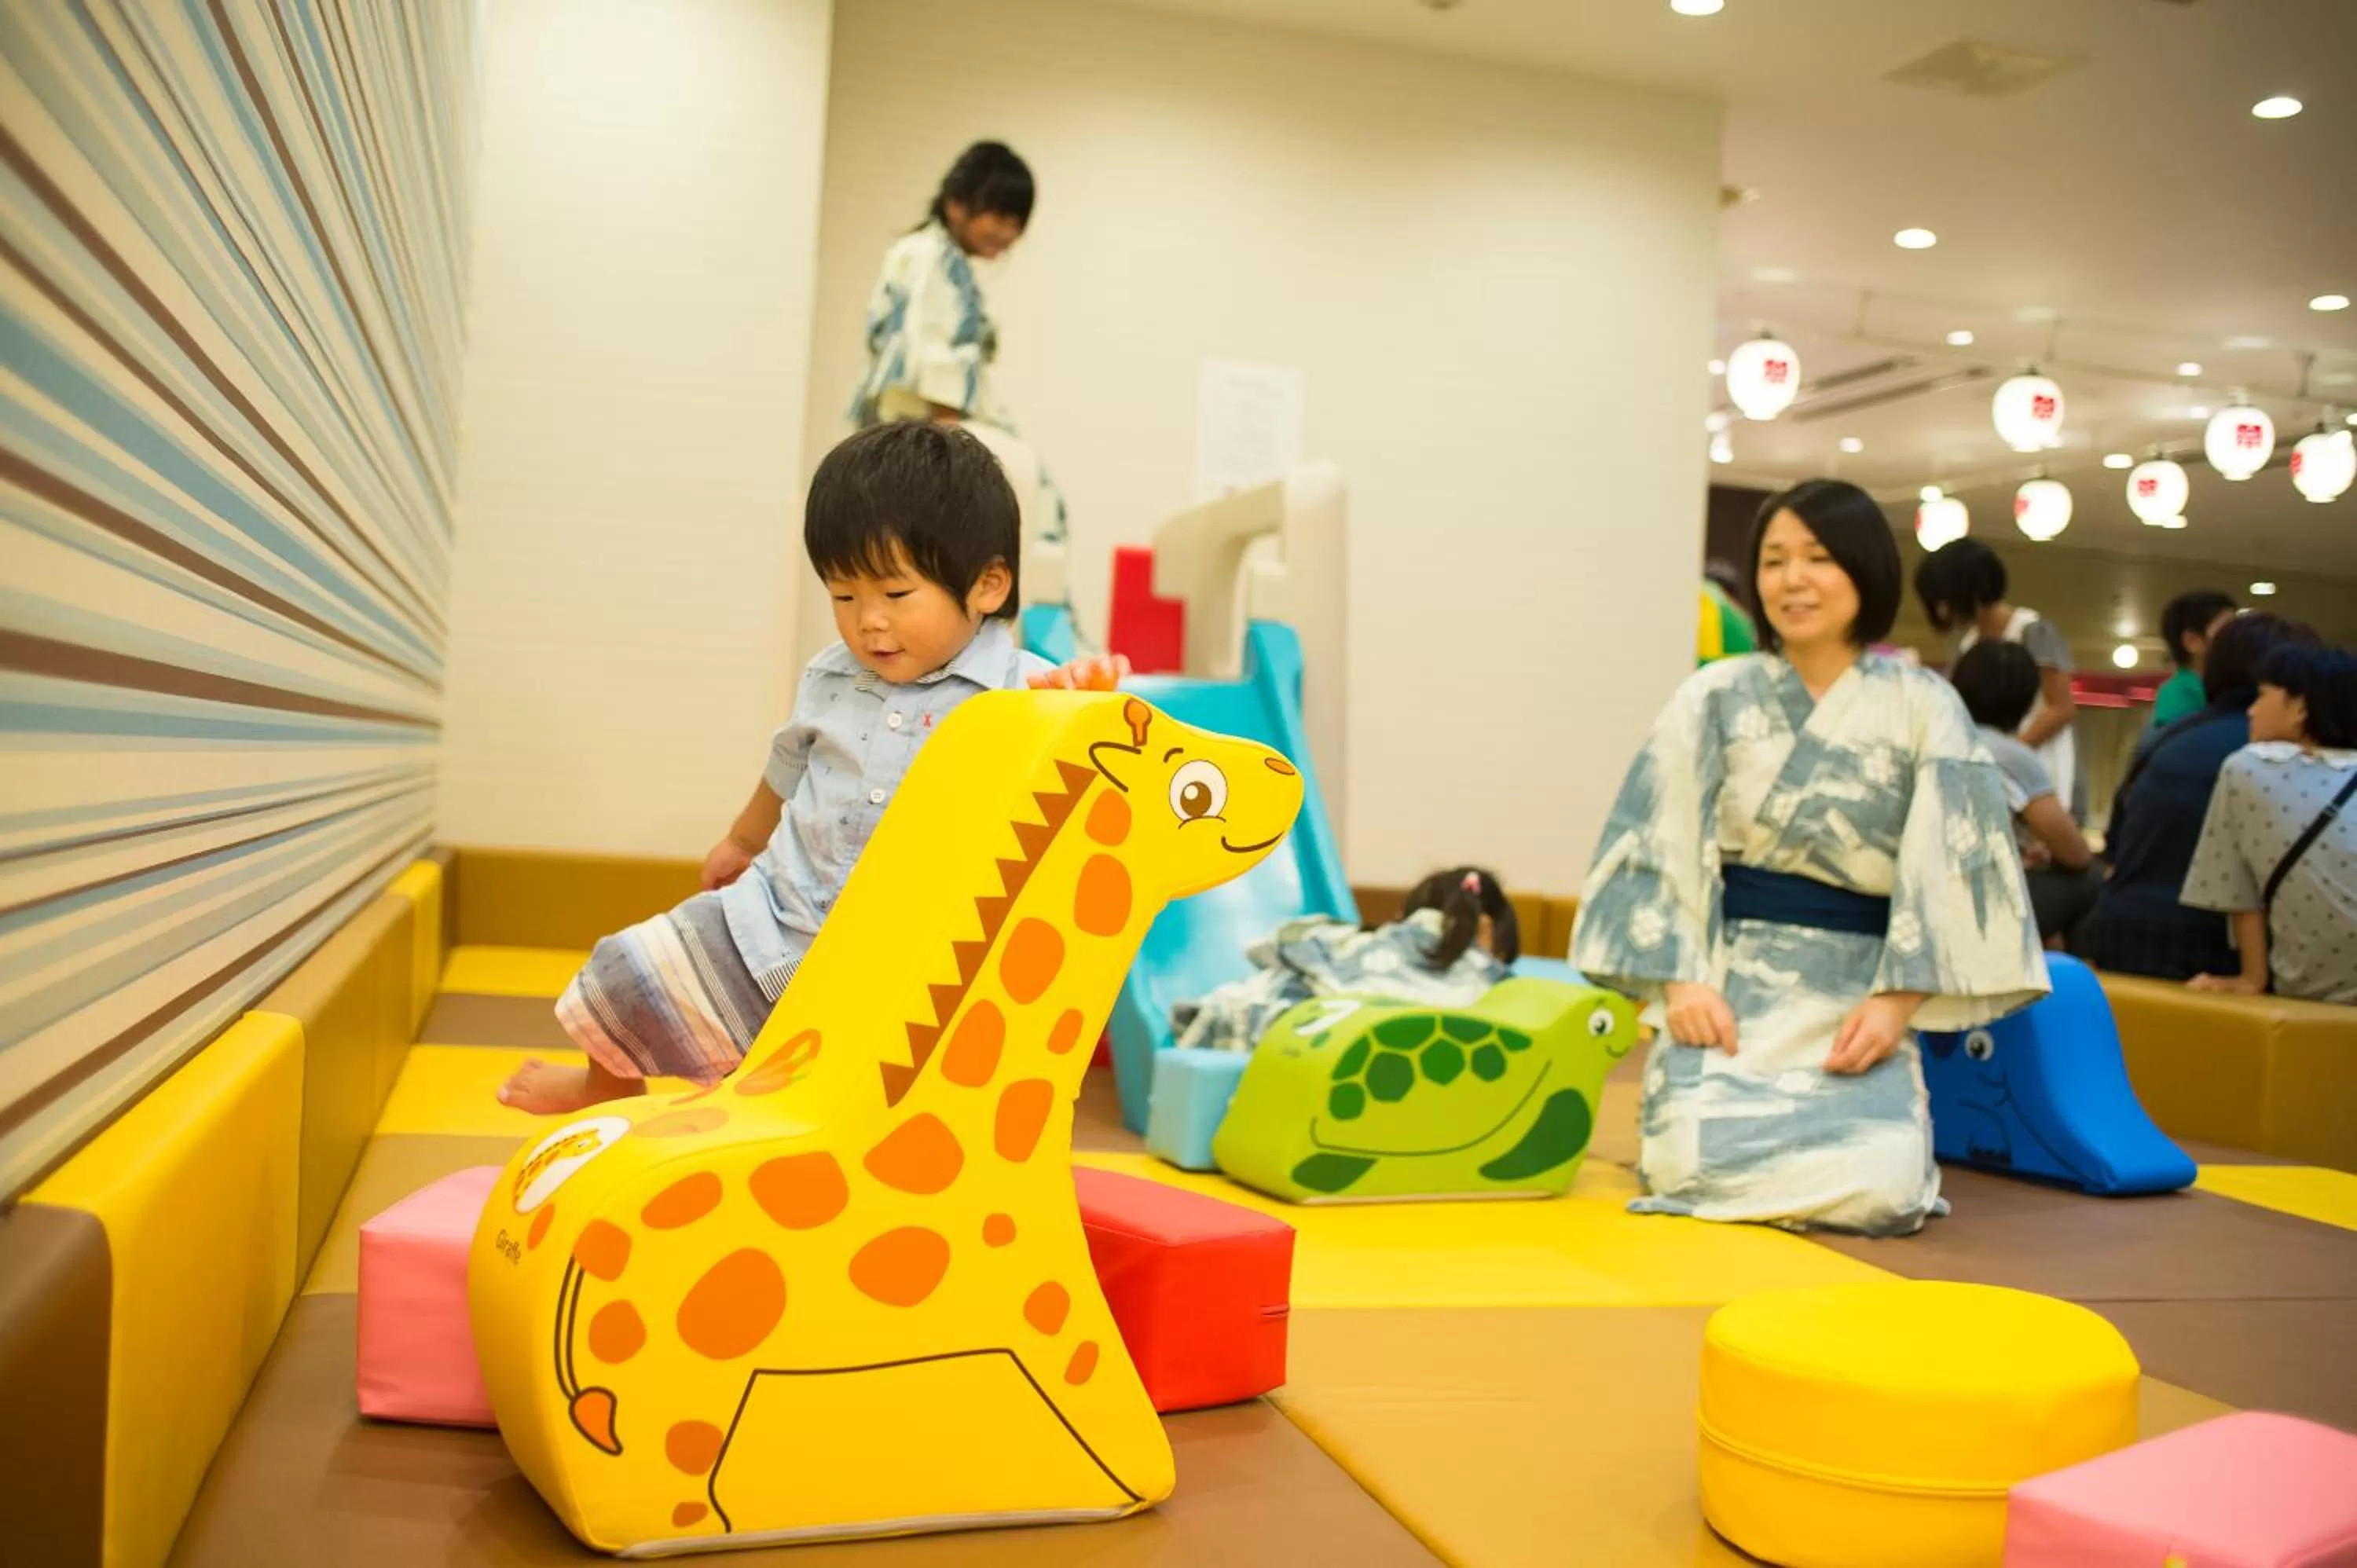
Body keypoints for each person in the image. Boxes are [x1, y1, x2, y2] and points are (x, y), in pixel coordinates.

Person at [498, 424, 1121, 1114]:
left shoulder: (1022, 692)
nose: (868, 624)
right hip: (777, 913)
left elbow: (1076, 780)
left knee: (845, 1094)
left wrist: (1084, 704)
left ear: (986, 584)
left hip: (901, 962)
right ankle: (604, 1087)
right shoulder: (832, 673)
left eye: (895, 594)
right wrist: (741, 842)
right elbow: (789, 764)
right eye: (844, 596)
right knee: (626, 967)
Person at [1574, 478, 2046, 1237]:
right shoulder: (1714, 694)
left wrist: (1897, 1004)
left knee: (1880, 1191)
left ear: (1865, 569)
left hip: (1858, 999)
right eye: (1774, 560)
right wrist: (1683, 978)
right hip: (1729, 988)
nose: (1792, 580)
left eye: (1818, 557)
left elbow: (1958, 864)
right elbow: (1651, 834)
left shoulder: (1924, 704)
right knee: (1685, 1166)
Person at [849, 141, 1068, 551]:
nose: (1010, 233)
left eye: (1018, 223)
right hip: (925, 431)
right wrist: (954, 456)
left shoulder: (926, 255)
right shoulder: (933, 259)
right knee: (1035, 511)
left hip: (907, 431)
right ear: (956, 205)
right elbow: (932, 357)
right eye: (1001, 216)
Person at [2078, 613, 2316, 981]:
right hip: (2213, 947)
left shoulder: (2166, 738)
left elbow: (2116, 845)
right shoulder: (2276, 756)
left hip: (2119, 930)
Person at [1172, 868, 1519, 1052]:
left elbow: (1288, 942)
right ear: (1487, 931)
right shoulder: (1478, 972)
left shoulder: (1365, 942)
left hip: (1314, 1026)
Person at [2182, 643, 2357, 1002]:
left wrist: (2252, 977)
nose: (2251, 710)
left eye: (2262, 696)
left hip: (2308, 995)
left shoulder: (2251, 768)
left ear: (2300, 708)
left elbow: (2237, 889)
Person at [1915, 539, 2084, 821]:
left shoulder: (2033, 632)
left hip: (2037, 766)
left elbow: (2061, 708)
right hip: (1992, 772)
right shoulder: (1968, 644)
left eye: (1947, 599)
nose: (1943, 611)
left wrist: (2008, 754)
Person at [1949, 641, 2099, 944]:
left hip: (1917, 898)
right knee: (2090, 879)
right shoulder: (2010, 755)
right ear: (2027, 700)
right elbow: (2076, 854)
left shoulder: (1932, 739)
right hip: (1974, 911)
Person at [2153, 591, 2239, 731]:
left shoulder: (2223, 690)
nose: (2240, 638)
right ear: (2192, 641)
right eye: (2228, 630)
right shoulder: (2178, 696)